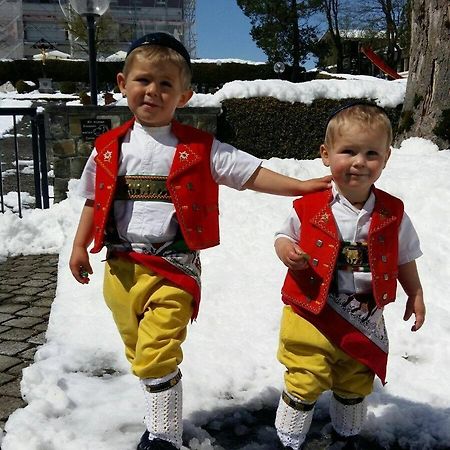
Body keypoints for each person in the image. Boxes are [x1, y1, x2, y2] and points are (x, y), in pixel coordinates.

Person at [69, 32, 331, 450]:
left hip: (173, 268)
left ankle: (163, 436)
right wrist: (80, 245)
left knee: (158, 350)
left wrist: (299, 186)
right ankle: (160, 413)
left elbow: (250, 173)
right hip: (120, 267)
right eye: (143, 80)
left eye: (166, 84)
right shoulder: (106, 149)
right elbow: (90, 200)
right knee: (140, 354)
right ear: (122, 83)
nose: (152, 91)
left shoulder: (200, 149)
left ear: (184, 96)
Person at [273, 103, 425, 450]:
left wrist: (414, 293)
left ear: (385, 159)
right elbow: (284, 236)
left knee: (355, 379)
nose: (359, 162)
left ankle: (346, 437)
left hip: (364, 315)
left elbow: (404, 257)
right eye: (348, 151)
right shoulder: (309, 205)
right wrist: (286, 251)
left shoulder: (392, 212)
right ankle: (289, 439)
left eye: (371, 153)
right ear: (326, 155)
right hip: (310, 311)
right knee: (304, 375)